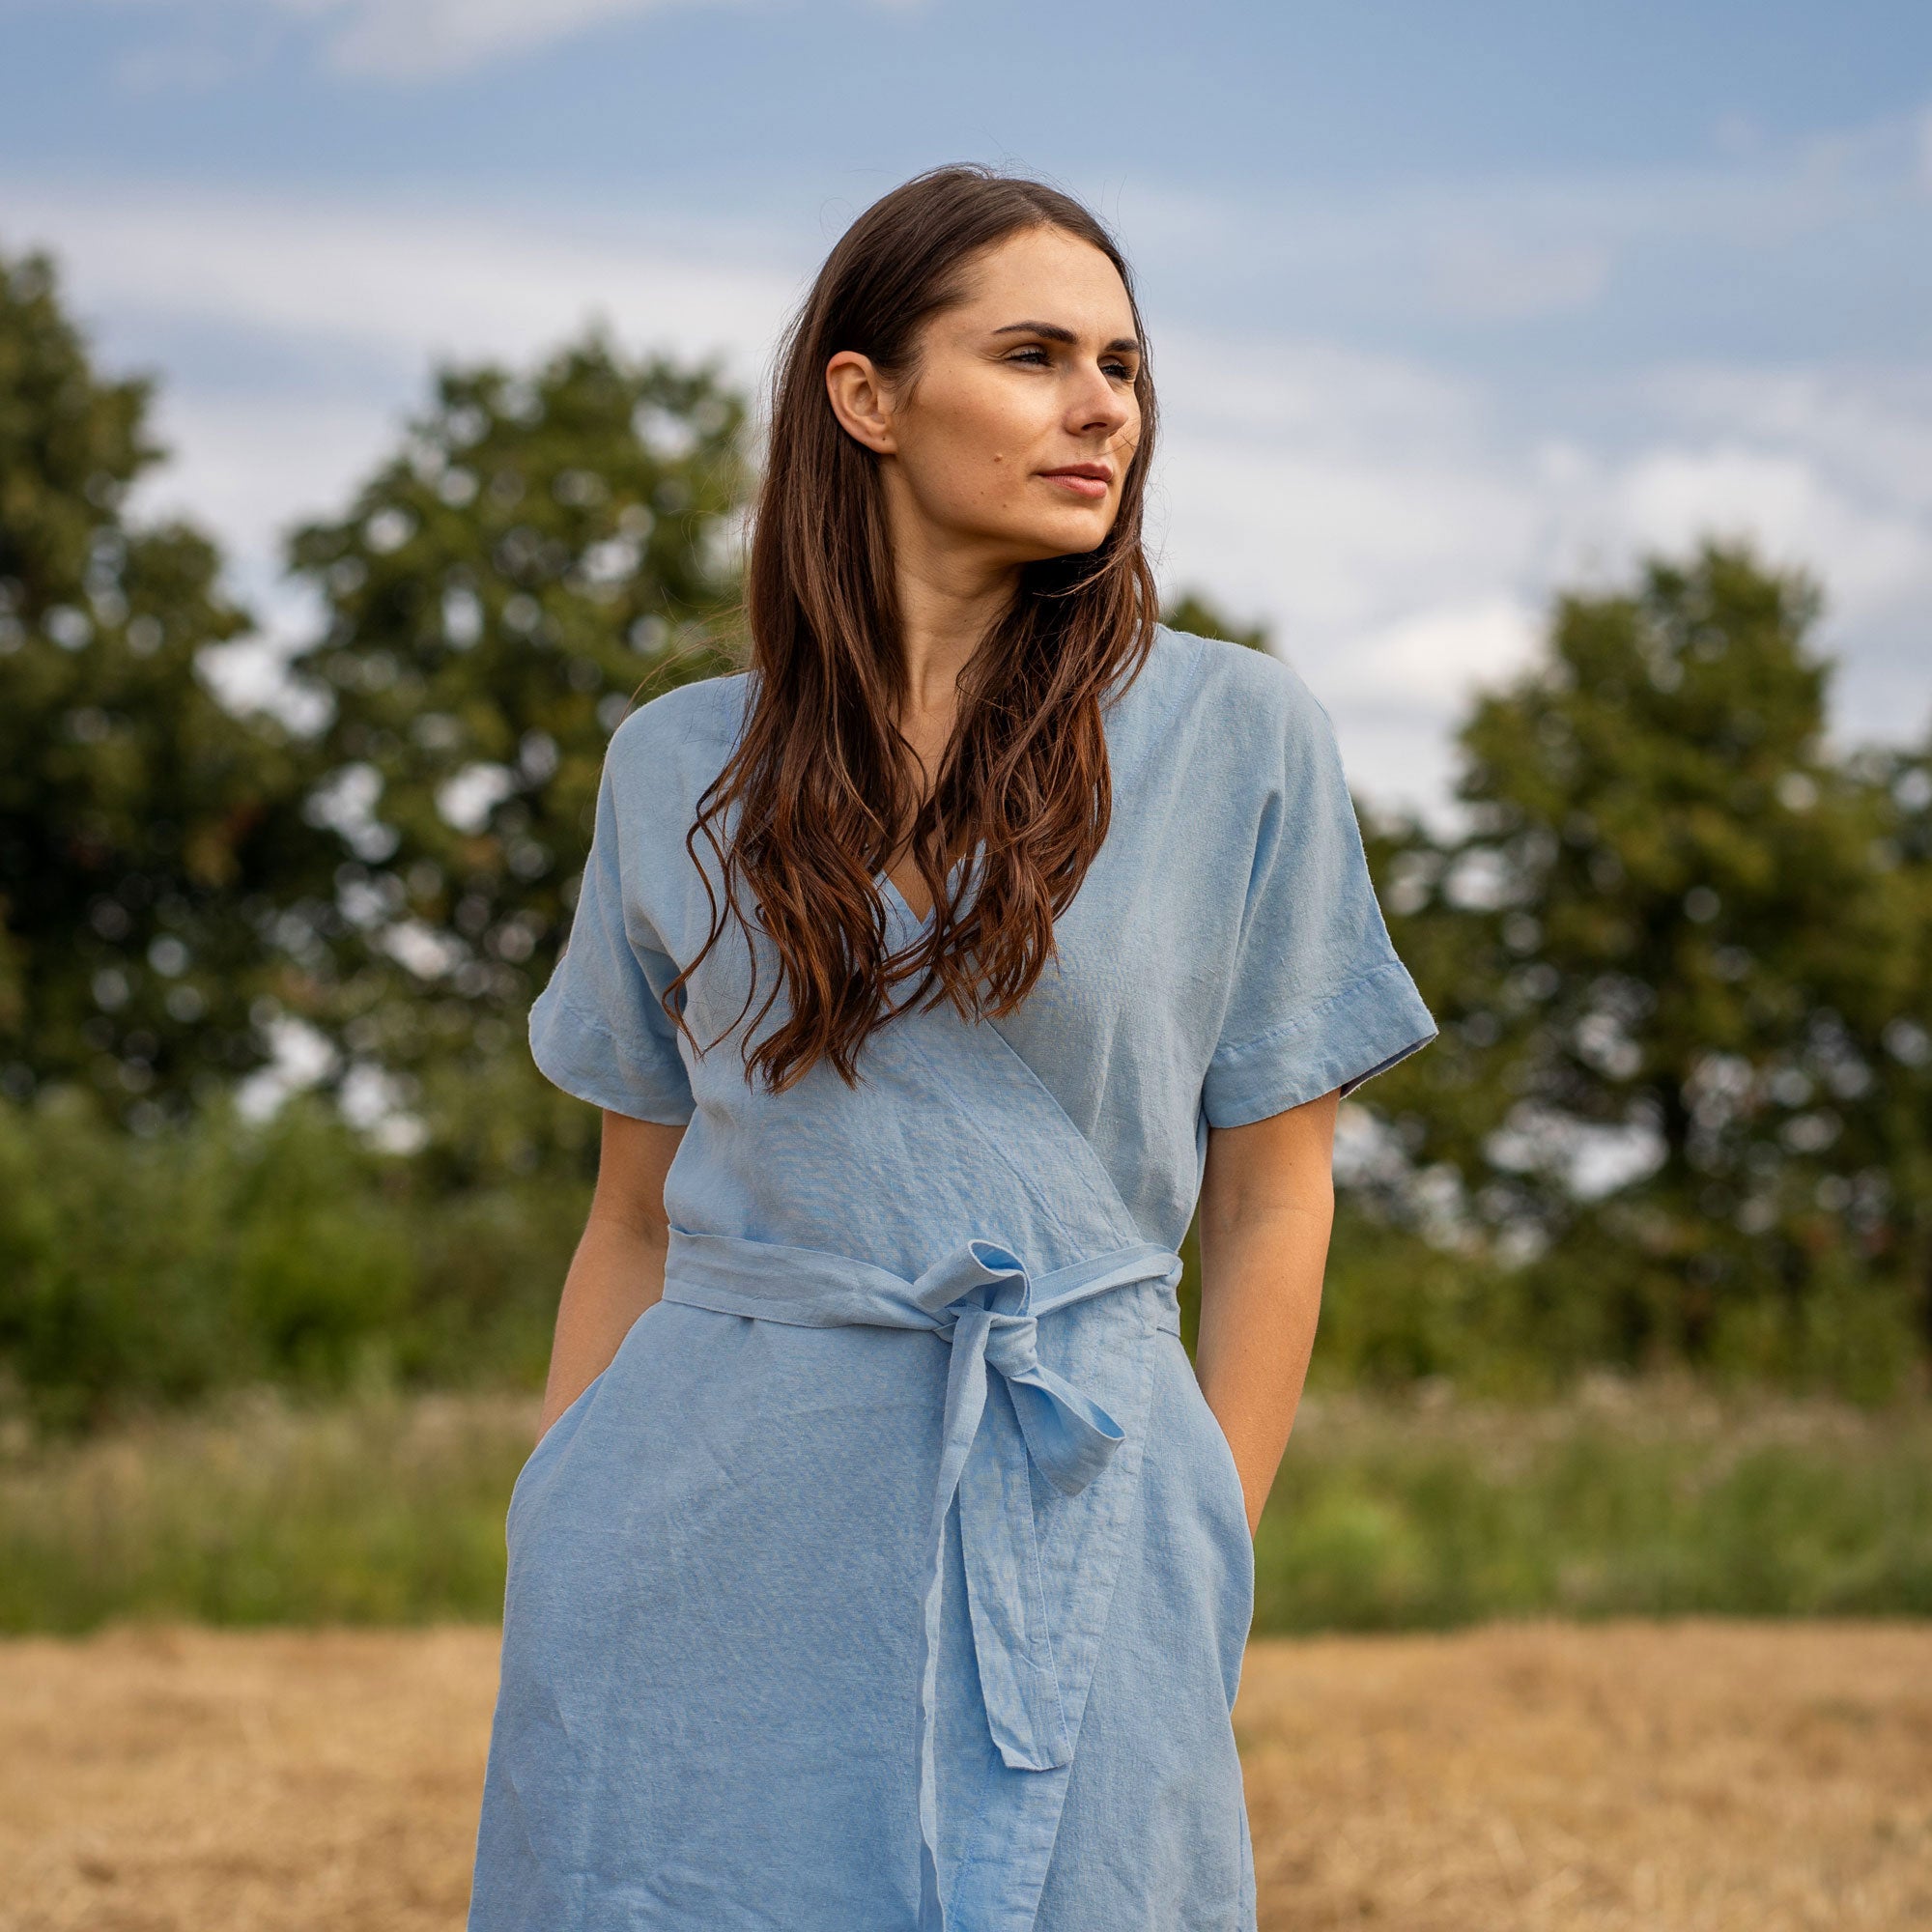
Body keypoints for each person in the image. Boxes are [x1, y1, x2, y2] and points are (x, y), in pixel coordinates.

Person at [467, 164, 1435, 1932]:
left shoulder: (1242, 734)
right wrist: (560, 1520)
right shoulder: (673, 766)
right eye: (1037, 355)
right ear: (869, 399)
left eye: (1125, 366)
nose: (1103, 409)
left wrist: (1200, 1532)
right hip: (699, 1524)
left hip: (1082, 1492)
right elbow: (632, 1214)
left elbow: (1274, 1205)